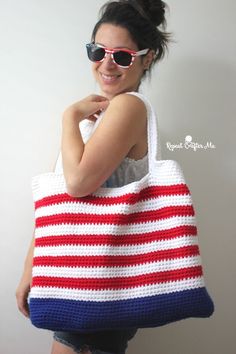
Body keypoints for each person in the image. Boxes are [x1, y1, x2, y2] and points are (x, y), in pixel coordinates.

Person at [16, 0, 171, 353]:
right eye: (98, 50)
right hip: (80, 277)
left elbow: (78, 183)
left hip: (98, 282)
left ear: (147, 59)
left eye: (123, 56)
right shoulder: (103, 114)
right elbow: (59, 201)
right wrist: (32, 267)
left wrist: (69, 117)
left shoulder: (128, 107)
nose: (106, 63)